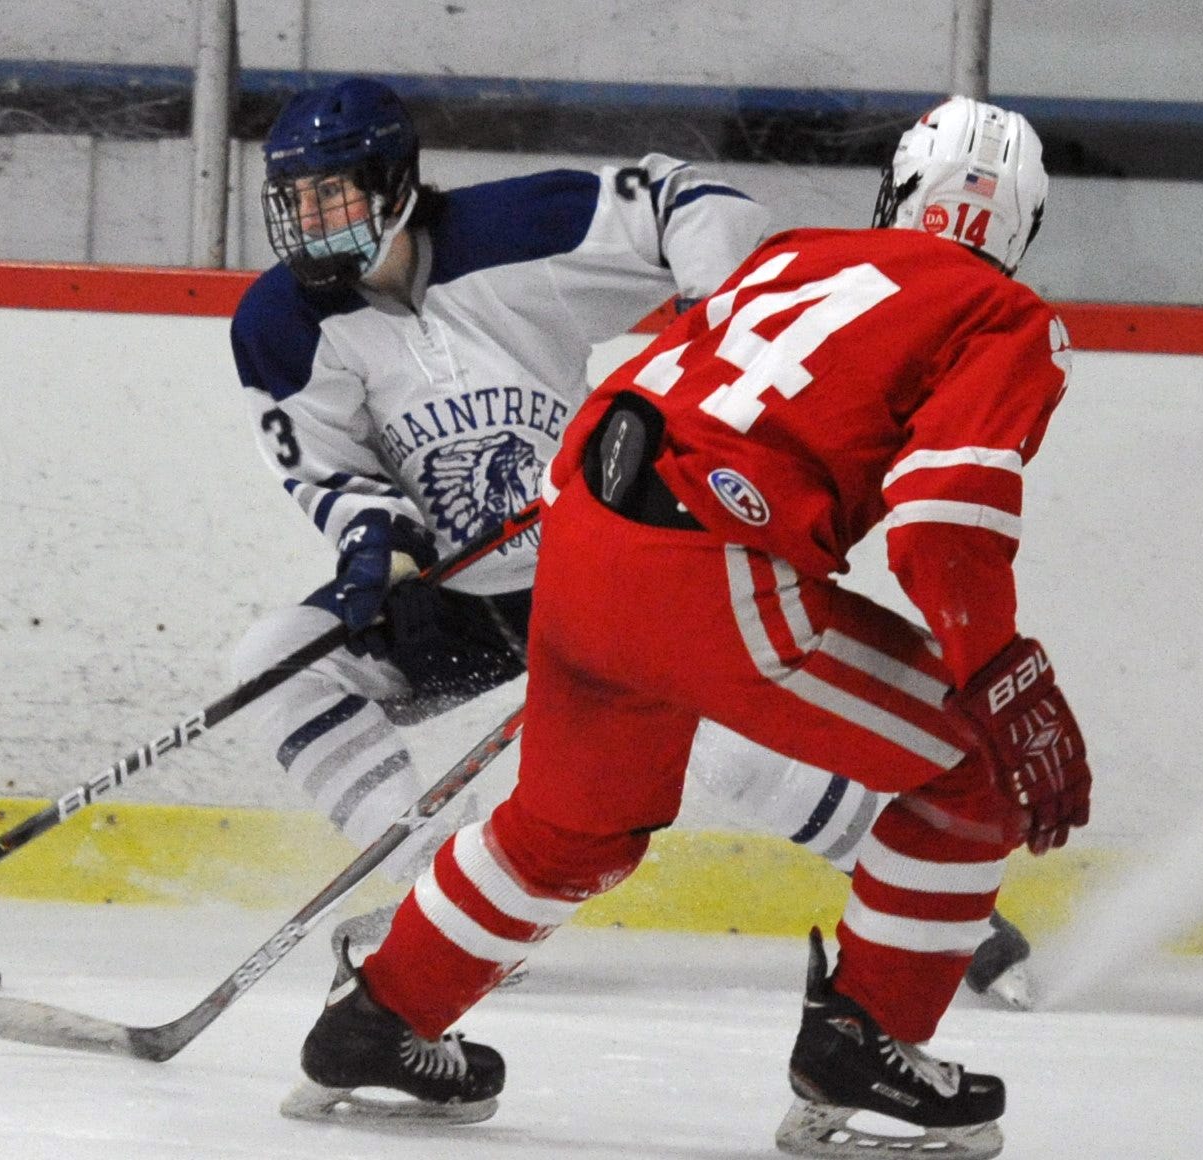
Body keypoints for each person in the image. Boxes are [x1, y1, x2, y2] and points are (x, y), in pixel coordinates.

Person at [285, 95, 1092, 1159]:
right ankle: (867, 1042)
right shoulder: (1004, 316)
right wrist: (998, 673)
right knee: (975, 770)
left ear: (893, 193)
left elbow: (637, 382)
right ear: (1020, 231)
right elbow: (942, 527)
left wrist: (602, 530)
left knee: (571, 827)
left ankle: (378, 1019)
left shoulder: (796, 252)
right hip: (709, 565)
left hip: (582, 537)